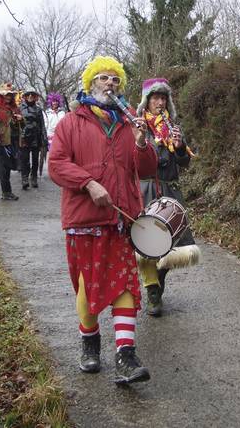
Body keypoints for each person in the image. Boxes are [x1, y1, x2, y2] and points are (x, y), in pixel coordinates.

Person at [48, 56, 157, 385]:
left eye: (115, 80)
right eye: (104, 79)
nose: (111, 84)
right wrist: (88, 182)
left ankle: (125, 354)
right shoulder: (71, 122)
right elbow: (56, 164)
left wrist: (141, 142)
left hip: (121, 219)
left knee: (125, 284)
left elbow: (147, 169)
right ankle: (89, 340)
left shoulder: (128, 124)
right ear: (90, 83)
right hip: (84, 219)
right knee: (88, 286)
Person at [134, 77, 200, 316]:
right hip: (147, 189)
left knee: (171, 245)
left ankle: (157, 284)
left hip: (170, 190)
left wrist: (180, 147)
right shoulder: (139, 126)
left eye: (163, 98)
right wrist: (142, 140)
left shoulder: (173, 126)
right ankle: (152, 290)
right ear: (147, 101)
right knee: (146, 245)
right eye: (155, 98)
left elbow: (184, 163)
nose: (159, 102)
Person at [0, 83, 23, 201]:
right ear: (1, 95)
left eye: (10, 95)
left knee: (3, 166)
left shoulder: (14, 108)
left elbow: (22, 124)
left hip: (12, 141)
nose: (8, 97)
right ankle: (6, 192)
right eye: (6, 95)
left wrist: (21, 119)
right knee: (4, 167)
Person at [20, 89, 47, 189]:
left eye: (32, 95)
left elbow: (42, 124)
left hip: (36, 136)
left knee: (35, 159)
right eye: (28, 95)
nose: (30, 96)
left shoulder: (38, 109)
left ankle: (34, 177)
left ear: (35, 97)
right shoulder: (20, 108)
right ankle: (24, 178)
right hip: (24, 136)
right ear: (25, 97)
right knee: (24, 159)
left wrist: (44, 137)